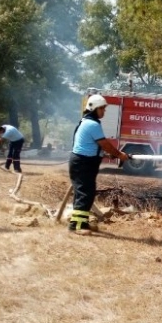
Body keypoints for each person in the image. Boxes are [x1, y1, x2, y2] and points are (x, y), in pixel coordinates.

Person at [68, 94, 129, 235]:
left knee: (85, 193)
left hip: (83, 162)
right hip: (83, 163)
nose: (104, 111)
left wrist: (107, 155)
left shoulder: (88, 122)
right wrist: (120, 155)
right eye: (102, 108)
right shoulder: (92, 124)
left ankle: (82, 222)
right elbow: (104, 143)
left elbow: (92, 146)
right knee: (84, 194)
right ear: (94, 108)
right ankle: (76, 226)